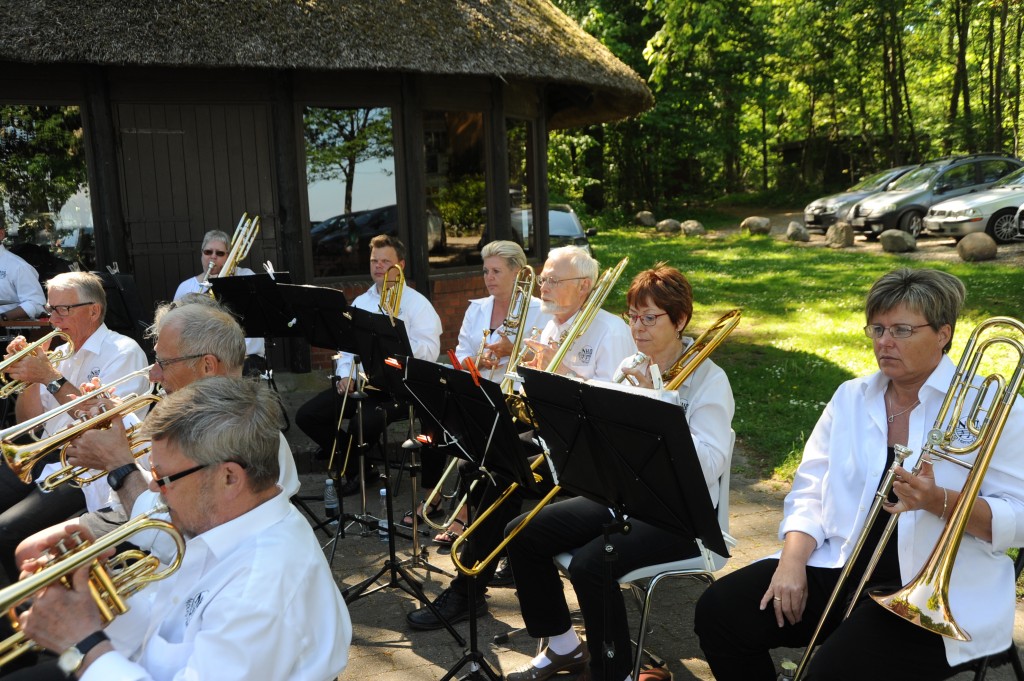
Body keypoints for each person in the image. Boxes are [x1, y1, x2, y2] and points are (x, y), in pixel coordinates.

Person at [694, 267, 1024, 681]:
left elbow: (1021, 518)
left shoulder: (995, 408)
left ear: (943, 333)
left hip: (937, 598)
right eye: (877, 328)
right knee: (720, 612)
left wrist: (939, 501)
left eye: (902, 330)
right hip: (840, 565)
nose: (884, 342)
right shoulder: (850, 396)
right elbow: (810, 487)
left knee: (831, 672)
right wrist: (792, 562)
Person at [5, 377, 351, 681]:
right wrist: (89, 600)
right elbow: (161, 632)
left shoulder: (261, 586)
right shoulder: (218, 525)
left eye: (163, 478)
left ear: (229, 477)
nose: (153, 489)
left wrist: (82, 642)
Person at [497, 265, 733, 681]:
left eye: (649, 317)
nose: (637, 327)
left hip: (681, 515)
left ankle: (617, 673)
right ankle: (564, 647)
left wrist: (656, 402)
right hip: (625, 497)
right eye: (632, 316)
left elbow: (709, 465)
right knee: (522, 532)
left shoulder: (710, 380)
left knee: (592, 564)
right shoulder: (630, 364)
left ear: (679, 320)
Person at [406, 246, 635, 631]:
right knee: (479, 456)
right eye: (542, 278)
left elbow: (610, 417)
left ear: (584, 287)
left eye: (551, 280)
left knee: (499, 476)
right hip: (553, 438)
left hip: (590, 457)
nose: (542, 286)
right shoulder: (553, 324)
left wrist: (555, 371)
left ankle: (468, 589)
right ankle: (488, 565)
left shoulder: (611, 332)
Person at [13, 295, 301, 569]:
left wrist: (117, 463)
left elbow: (169, 536)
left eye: (163, 363)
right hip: (142, 514)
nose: (153, 374)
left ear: (207, 366)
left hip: (169, 542)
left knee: (34, 557)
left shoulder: (237, 432)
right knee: (29, 550)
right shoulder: (192, 411)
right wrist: (115, 420)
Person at [0, 272, 148, 580]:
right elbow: (30, 422)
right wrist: (29, 376)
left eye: (62, 309)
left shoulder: (122, 351)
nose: (52, 319)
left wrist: (50, 378)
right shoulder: (59, 355)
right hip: (43, 455)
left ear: (93, 310)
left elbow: (106, 424)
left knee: (6, 532)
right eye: (50, 309)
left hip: (88, 470)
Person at [408, 240, 550, 544]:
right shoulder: (477, 308)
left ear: (518, 273)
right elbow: (462, 353)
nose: (489, 277)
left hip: (518, 401)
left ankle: (462, 515)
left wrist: (515, 351)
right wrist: (478, 361)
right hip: (481, 391)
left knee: (474, 450)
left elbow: (547, 358)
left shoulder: (540, 311)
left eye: (497, 271)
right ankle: (449, 505)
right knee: (441, 422)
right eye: (486, 271)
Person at [295, 233, 442, 495]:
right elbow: (346, 349)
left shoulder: (418, 304)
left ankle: (352, 468)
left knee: (363, 422)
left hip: (398, 389)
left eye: (386, 261)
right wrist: (343, 375)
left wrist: (398, 342)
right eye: (375, 260)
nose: (378, 266)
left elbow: (431, 352)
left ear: (401, 265)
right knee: (307, 416)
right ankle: (358, 467)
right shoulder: (361, 302)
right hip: (362, 382)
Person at [173, 229, 266, 376]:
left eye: (220, 253)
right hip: (205, 362)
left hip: (245, 359)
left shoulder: (245, 276)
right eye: (208, 252)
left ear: (230, 256)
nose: (213, 257)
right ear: (201, 254)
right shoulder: (186, 287)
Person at [0, 212, 46, 322]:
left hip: (7, 333)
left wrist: (3, 317)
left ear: (1, 234)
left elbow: (36, 303)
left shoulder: (18, 266)